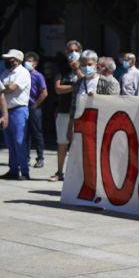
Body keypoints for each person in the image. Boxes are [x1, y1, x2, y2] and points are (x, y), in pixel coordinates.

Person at [50, 40, 82, 182]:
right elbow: (57, 89)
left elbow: (86, 82)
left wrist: (77, 69)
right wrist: (74, 87)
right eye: (69, 50)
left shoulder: (85, 66)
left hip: (80, 112)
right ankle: (59, 172)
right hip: (64, 110)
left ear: (80, 51)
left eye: (75, 50)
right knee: (62, 143)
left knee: (78, 144)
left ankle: (77, 174)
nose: (72, 53)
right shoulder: (61, 69)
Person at [0, 49, 32, 180]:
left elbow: (11, 88)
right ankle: (13, 170)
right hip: (6, 110)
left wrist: (4, 87)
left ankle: (24, 172)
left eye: (10, 59)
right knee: (10, 142)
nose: (7, 61)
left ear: (18, 60)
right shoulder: (5, 72)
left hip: (19, 110)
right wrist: (5, 87)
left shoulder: (23, 73)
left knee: (19, 141)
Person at [66, 50, 100, 144]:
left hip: (99, 126)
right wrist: (69, 128)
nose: (87, 68)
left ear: (96, 64)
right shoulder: (79, 83)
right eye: (84, 65)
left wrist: (98, 97)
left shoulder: (105, 82)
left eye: (89, 64)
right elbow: (73, 108)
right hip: (80, 126)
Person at [23, 52, 48, 168]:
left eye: (30, 61)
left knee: (37, 133)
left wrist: (35, 105)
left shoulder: (38, 76)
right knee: (25, 134)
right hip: (23, 107)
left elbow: (44, 92)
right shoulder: (22, 75)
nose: (27, 63)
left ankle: (40, 158)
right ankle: (26, 158)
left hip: (34, 108)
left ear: (35, 64)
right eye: (26, 60)